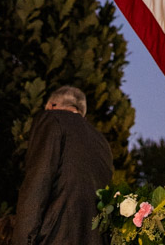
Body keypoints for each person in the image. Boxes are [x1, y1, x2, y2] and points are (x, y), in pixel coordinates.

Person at [12, 85, 113, 245]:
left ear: (52, 105)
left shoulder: (52, 118)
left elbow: (38, 182)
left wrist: (23, 240)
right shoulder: (102, 142)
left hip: (54, 237)